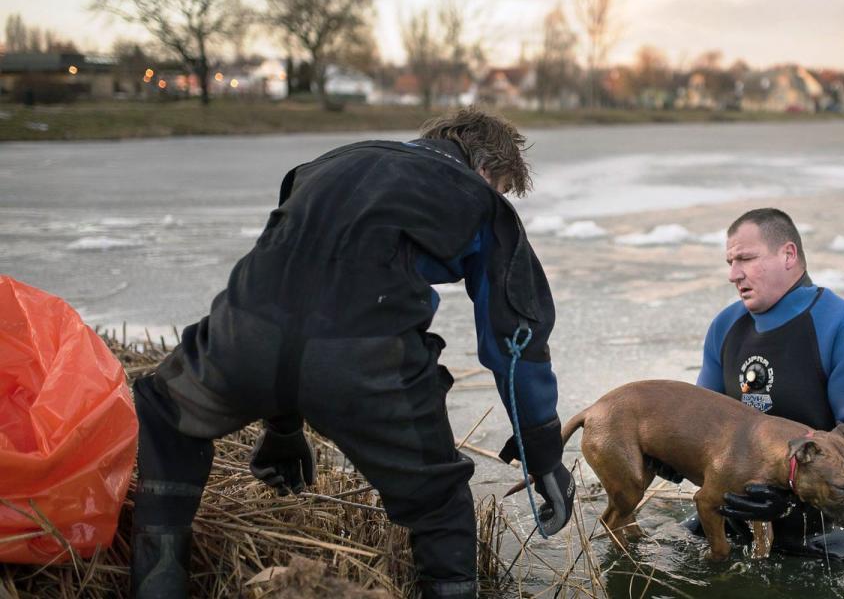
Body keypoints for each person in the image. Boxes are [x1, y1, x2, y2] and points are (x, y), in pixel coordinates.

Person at [128, 108, 575, 599]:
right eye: (505, 187)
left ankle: (157, 582)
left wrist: (282, 427)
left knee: (163, 408)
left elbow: (294, 296)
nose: (500, 197)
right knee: (440, 506)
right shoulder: (479, 202)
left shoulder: (322, 167)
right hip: (366, 364)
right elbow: (514, 339)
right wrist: (543, 451)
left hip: (238, 338)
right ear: (488, 170)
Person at [662, 207, 844, 560]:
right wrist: (670, 452)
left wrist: (785, 496)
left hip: (822, 540)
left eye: (746, 258)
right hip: (732, 522)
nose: (733, 274)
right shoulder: (725, 327)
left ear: (788, 255)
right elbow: (703, 423)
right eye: (730, 262)